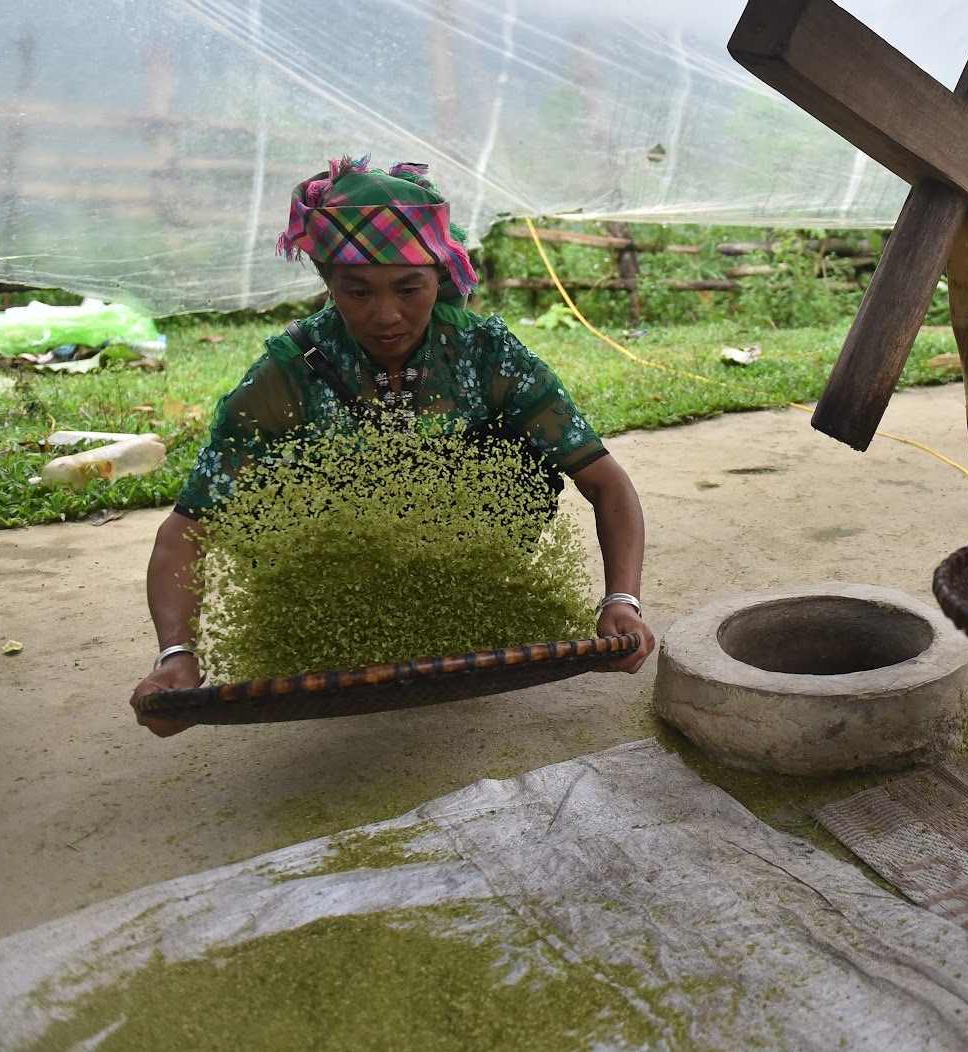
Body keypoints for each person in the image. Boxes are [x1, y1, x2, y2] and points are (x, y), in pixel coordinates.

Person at [129, 156, 655, 736]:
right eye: (357, 292)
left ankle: (454, 608)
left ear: (440, 276)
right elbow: (187, 528)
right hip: (334, 588)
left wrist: (621, 600)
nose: (386, 316)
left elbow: (605, 482)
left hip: (472, 568)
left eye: (410, 288)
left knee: (516, 458)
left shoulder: (486, 354)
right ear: (328, 285)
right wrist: (175, 653)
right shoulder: (286, 375)